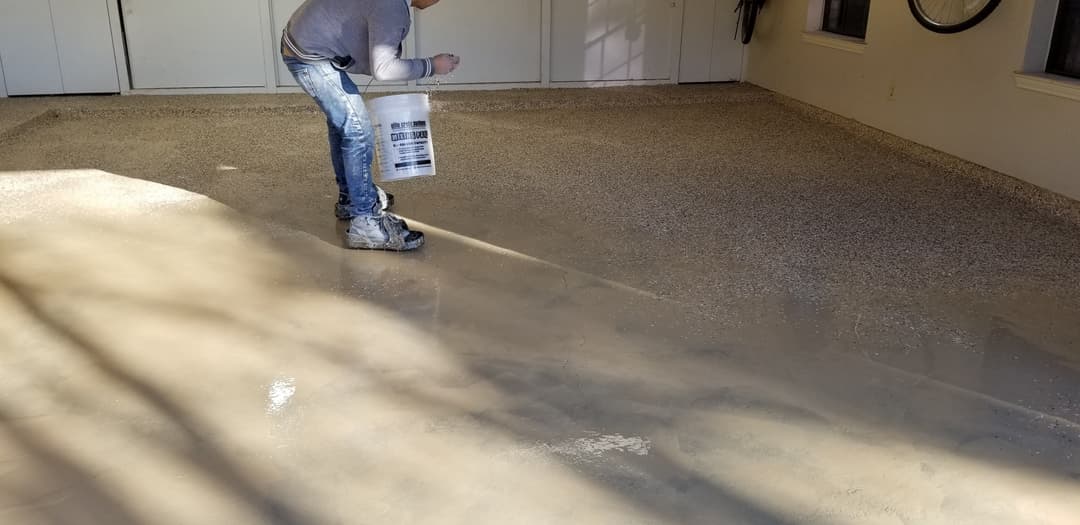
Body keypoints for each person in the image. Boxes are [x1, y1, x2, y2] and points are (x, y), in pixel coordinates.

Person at [281, 0, 459, 251]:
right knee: (356, 128)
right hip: (308, 54)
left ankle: (350, 197)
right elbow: (385, 69)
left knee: (343, 123)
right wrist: (433, 66)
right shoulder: (392, 7)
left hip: (305, 39)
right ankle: (364, 222)